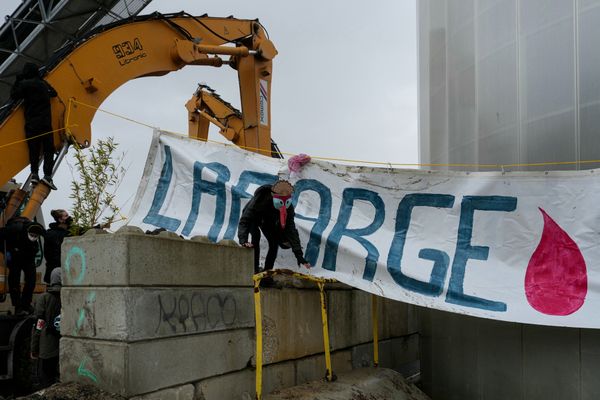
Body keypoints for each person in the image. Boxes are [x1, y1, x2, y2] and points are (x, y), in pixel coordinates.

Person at [238, 180, 311, 281]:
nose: (284, 206)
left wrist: (299, 256)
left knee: (274, 243)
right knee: (256, 236)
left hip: (268, 220)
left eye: (287, 202)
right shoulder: (260, 200)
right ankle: (254, 270)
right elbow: (245, 220)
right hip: (254, 218)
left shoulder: (288, 208)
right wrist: (244, 240)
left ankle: (267, 273)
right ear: (273, 197)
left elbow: (291, 230)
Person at [10, 62, 58, 190]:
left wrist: (18, 80)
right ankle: (47, 176)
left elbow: (13, 95)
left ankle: (35, 174)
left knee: (34, 150)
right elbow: (54, 93)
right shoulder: (42, 85)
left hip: (31, 124)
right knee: (49, 150)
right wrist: (42, 80)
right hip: (45, 124)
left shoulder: (25, 85)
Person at [0, 217, 45, 315]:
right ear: (27, 231)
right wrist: (5, 252)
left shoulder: (37, 233)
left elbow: (37, 245)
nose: (33, 237)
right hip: (14, 255)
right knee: (14, 281)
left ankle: (26, 304)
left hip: (28, 257)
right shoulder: (14, 229)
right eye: (32, 235)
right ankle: (18, 306)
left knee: (31, 280)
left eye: (36, 236)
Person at [31, 267, 61, 388]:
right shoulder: (69, 296)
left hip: (46, 348)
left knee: (46, 382)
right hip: (62, 346)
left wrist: (34, 348)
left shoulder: (44, 298)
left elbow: (39, 325)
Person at [43, 209, 71, 283]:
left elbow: (84, 230)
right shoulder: (52, 234)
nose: (69, 217)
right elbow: (49, 255)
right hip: (56, 273)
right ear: (60, 219)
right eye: (66, 216)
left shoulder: (70, 231)